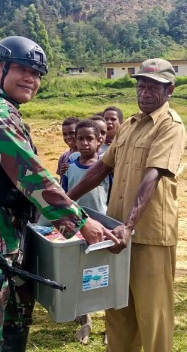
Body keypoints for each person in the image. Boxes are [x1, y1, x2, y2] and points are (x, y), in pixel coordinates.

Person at [0, 36, 115, 352]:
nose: (31, 79)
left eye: (36, 74)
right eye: (22, 69)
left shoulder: (2, 109)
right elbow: (31, 175)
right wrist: (79, 223)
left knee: (15, 318)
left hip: (4, 236)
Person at [67, 58, 187, 352]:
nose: (145, 92)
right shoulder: (129, 126)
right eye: (141, 85)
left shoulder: (171, 126)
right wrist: (65, 201)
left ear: (169, 89)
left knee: (153, 313)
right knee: (117, 306)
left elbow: (154, 174)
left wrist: (129, 225)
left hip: (148, 235)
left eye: (153, 87)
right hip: (114, 232)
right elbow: (100, 169)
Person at [62, 119, 112, 345]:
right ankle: (86, 318)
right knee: (81, 273)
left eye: (89, 138)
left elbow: (113, 196)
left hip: (102, 228)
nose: (83, 143)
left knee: (107, 274)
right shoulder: (69, 164)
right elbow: (63, 195)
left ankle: (112, 325)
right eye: (80, 138)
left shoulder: (106, 166)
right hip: (76, 228)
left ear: (100, 140)